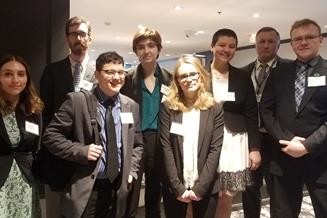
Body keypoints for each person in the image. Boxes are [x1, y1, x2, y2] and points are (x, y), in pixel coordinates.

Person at [42, 51, 144, 218]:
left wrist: (131, 172)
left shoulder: (131, 106)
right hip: (88, 188)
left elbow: (137, 144)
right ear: (97, 74)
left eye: (120, 72)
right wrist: (81, 151)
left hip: (118, 188)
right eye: (110, 72)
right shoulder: (77, 101)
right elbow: (50, 136)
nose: (116, 77)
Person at [260, 18, 327, 218]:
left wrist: (307, 145)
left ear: (320, 40)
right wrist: (287, 138)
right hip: (283, 157)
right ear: (292, 43)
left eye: (309, 37)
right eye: (298, 39)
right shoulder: (279, 73)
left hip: (321, 159)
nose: (303, 42)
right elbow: (266, 109)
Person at [39, 16, 95, 218]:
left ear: (90, 38)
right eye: (74, 34)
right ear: (67, 38)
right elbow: (44, 114)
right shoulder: (51, 71)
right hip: (57, 156)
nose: (78, 38)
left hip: (89, 157)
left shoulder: (100, 74)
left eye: (82, 34)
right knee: (55, 212)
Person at [159, 55, 224, 218]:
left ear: (201, 76)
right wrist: (177, 187)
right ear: (177, 81)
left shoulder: (214, 108)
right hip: (175, 186)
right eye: (183, 76)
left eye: (193, 74)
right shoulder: (168, 107)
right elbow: (165, 147)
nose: (188, 79)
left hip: (206, 185)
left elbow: (215, 150)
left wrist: (200, 188)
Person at [208, 28, 261, 218]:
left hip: (234, 140)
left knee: (226, 195)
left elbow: (251, 114)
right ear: (212, 46)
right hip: (205, 140)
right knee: (201, 192)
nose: (226, 50)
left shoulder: (242, 77)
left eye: (232, 46)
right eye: (222, 45)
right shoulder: (199, 75)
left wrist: (254, 148)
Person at [121, 27, 172, 218]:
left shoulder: (170, 79)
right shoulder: (127, 79)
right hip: (134, 140)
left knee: (154, 191)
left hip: (160, 140)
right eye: (141, 47)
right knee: (130, 189)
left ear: (159, 48)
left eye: (151, 45)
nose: (146, 51)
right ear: (136, 51)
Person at [241, 27, 291, 218]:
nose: (266, 45)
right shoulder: (243, 72)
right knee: (250, 189)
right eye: (262, 41)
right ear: (255, 44)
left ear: (278, 44)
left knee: (278, 190)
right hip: (250, 140)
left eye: (271, 41)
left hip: (277, 139)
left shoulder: (289, 69)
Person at [0, 54, 43, 217]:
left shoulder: (33, 109)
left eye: (20, 74)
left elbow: (36, 147)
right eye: (7, 74)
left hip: (26, 181)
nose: (15, 79)